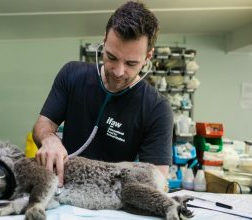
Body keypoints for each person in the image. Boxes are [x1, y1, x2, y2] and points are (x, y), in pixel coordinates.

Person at [32, 1, 173, 187]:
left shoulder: (157, 108)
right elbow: (43, 125)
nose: (118, 72)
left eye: (131, 63)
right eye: (112, 57)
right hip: (64, 187)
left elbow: (158, 175)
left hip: (113, 196)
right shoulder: (72, 74)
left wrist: (98, 171)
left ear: (148, 57)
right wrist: (49, 139)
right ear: (104, 40)